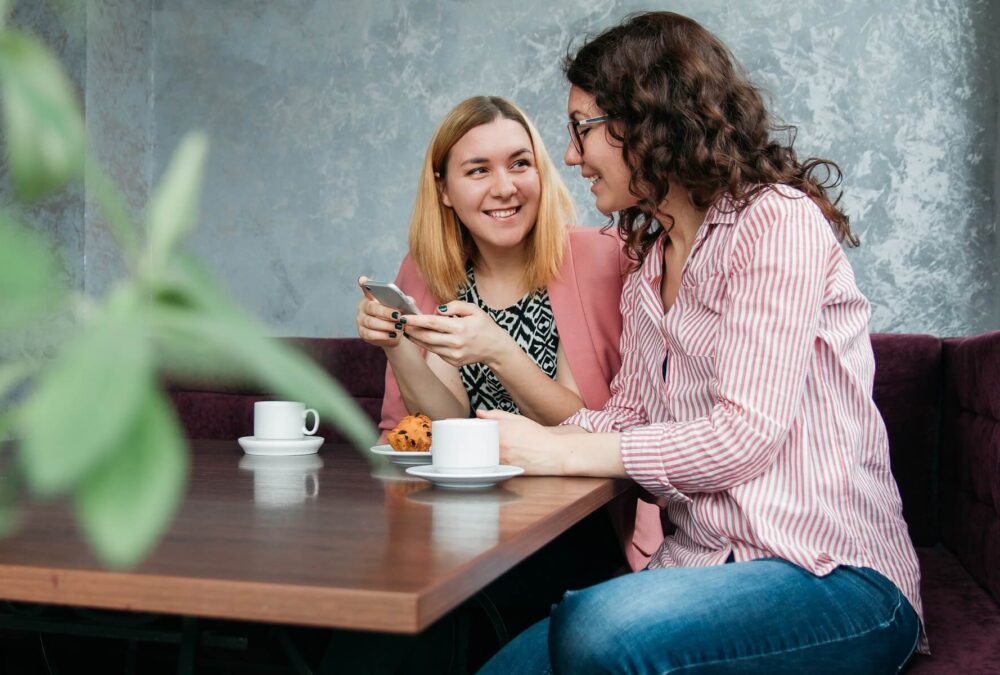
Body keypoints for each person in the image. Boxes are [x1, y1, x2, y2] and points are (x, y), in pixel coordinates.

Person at [477, 12, 925, 675]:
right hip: (701, 568)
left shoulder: (775, 221)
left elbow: (743, 434)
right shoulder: (648, 267)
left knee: (597, 627)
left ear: (649, 119)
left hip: (835, 576)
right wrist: (517, 436)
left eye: (581, 129)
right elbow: (627, 425)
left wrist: (555, 452)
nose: (570, 156)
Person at [356, 95, 664, 568]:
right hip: (458, 517)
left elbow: (586, 426)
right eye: (478, 170)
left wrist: (499, 350)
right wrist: (397, 344)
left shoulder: (601, 257)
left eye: (520, 164)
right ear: (444, 190)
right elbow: (448, 422)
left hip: (577, 524)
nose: (505, 188)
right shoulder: (427, 272)